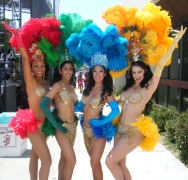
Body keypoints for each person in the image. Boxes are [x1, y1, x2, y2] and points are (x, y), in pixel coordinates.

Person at [105, 26, 186, 180]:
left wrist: (174, 42)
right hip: (120, 130)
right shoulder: (129, 87)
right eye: (134, 72)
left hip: (133, 131)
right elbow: (122, 105)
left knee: (109, 161)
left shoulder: (149, 87)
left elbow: (161, 65)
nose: (136, 75)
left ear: (145, 72)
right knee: (120, 165)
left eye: (139, 72)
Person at [3, 22, 51, 180]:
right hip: (34, 126)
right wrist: (19, 39)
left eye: (42, 66)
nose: (39, 68)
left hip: (44, 126)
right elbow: (24, 58)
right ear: (31, 68)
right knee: (47, 160)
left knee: (35, 157)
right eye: (36, 66)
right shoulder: (31, 82)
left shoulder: (46, 84)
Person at [78, 53, 119, 180]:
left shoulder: (106, 92)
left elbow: (116, 110)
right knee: (94, 164)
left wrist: (102, 123)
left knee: (94, 162)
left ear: (105, 73)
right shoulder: (88, 88)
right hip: (85, 130)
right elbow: (81, 107)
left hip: (98, 131)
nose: (97, 74)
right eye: (95, 70)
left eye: (101, 71)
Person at [40, 60, 78, 180]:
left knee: (65, 158)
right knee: (72, 160)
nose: (68, 71)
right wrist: (56, 125)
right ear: (60, 71)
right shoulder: (57, 86)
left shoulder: (71, 87)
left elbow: (73, 106)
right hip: (62, 128)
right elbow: (43, 104)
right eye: (65, 69)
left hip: (73, 128)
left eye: (71, 69)